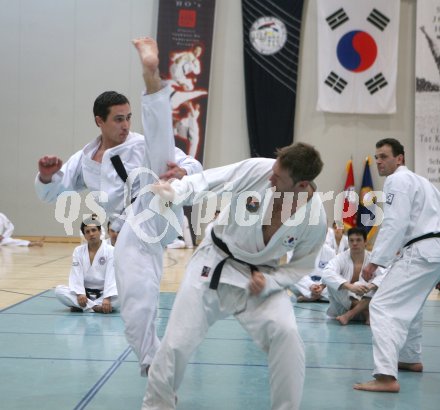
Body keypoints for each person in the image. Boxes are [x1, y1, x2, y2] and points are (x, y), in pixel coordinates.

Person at [35, 37, 202, 376]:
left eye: (128, 117)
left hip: (156, 207)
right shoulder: (85, 159)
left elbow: (187, 165)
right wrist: (46, 176)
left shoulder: (139, 144)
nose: (126, 125)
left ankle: (151, 77)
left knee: (160, 148)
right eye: (118, 120)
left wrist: (184, 170)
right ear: (99, 120)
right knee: (136, 295)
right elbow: (54, 193)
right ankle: (150, 358)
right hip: (129, 233)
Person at [143, 142, 327, 410]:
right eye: (273, 170)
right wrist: (175, 191)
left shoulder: (315, 218)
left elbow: (301, 266)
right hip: (214, 261)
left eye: (278, 177)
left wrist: (272, 281)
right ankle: (156, 406)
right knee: (176, 344)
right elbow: (210, 180)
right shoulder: (259, 170)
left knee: (286, 335)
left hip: (260, 277)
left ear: (301, 186)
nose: (270, 177)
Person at [354, 138, 440, 393]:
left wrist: (376, 261)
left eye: (384, 156)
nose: (379, 161)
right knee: (411, 306)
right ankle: (410, 358)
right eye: (376, 157)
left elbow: (395, 222)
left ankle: (385, 377)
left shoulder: (397, 180)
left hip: (421, 251)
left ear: (399, 159)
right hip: (432, 251)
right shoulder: (425, 183)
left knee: (382, 306)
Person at [322, 227, 385, 325]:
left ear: (365, 242)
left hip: (362, 301)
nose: (354, 243)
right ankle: (364, 311)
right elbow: (326, 273)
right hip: (346, 307)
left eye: (358, 240)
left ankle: (350, 315)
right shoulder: (341, 258)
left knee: (378, 286)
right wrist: (350, 287)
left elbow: (385, 276)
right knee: (331, 284)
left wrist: (371, 286)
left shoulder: (373, 260)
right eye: (351, 240)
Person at [55, 218, 118, 313]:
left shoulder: (110, 250)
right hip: (84, 295)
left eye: (94, 230)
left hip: (103, 294)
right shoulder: (78, 251)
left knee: (124, 295)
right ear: (84, 235)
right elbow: (76, 274)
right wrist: (80, 293)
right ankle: (96, 308)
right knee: (59, 291)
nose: (91, 234)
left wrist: (107, 297)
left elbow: (111, 275)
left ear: (100, 231)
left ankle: (84, 307)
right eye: (87, 232)